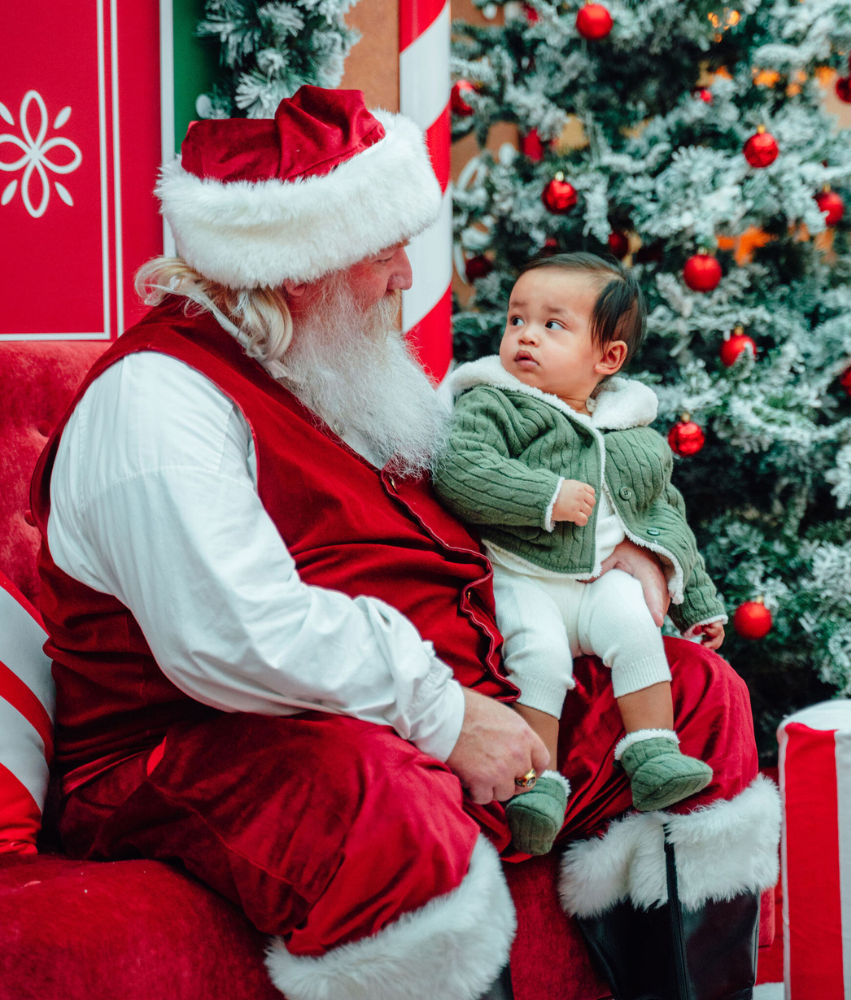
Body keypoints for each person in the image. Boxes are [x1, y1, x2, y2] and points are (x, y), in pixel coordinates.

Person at [29, 87, 775, 1000]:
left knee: (695, 696)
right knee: (382, 805)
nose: (402, 282)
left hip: (434, 701)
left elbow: (495, 507)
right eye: (384, 255)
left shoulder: (329, 366)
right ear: (302, 267)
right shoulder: (157, 400)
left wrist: (624, 552)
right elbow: (234, 636)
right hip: (207, 746)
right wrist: (447, 714)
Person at [434, 253, 726, 856]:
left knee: (636, 629)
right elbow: (460, 469)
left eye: (553, 325)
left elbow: (663, 513)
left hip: (600, 580)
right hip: (522, 573)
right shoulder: (495, 402)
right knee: (537, 655)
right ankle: (534, 786)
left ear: (607, 359)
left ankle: (652, 750)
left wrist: (696, 598)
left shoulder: (632, 430)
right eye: (517, 320)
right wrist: (545, 496)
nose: (526, 337)